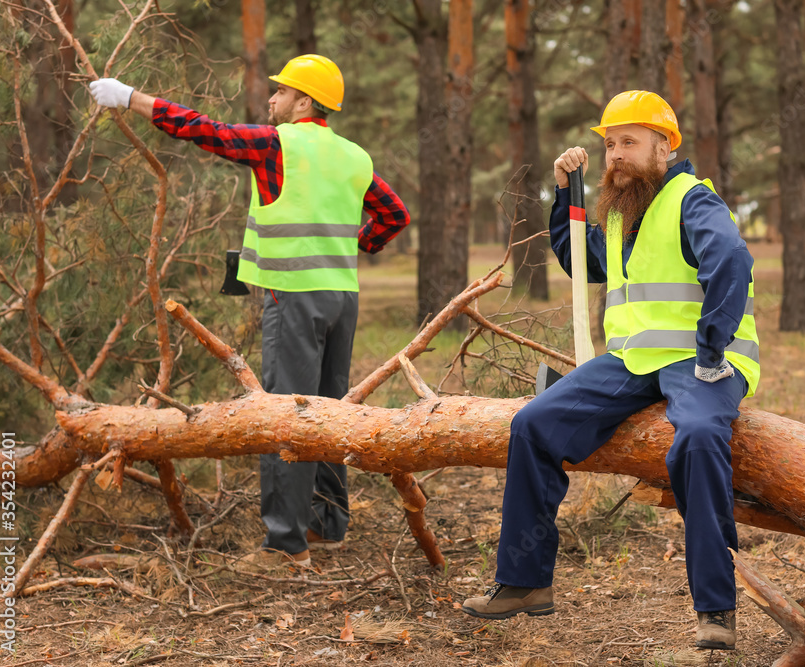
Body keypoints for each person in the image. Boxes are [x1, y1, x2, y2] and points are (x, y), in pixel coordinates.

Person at [461, 90, 759, 651]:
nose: (616, 155)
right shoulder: (623, 211)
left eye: (630, 143)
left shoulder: (691, 200)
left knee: (695, 438)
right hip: (631, 363)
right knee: (532, 425)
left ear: (663, 147)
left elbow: (733, 263)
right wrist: (562, 193)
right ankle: (524, 583)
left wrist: (713, 347)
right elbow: (581, 261)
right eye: (609, 145)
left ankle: (716, 609)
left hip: (703, 361)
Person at [89, 55, 411, 569]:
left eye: (281, 92)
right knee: (328, 413)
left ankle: (285, 548)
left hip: (292, 296)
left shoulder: (276, 143)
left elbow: (203, 130)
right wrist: (358, 243)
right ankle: (325, 525)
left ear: (304, 102)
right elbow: (395, 216)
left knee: (285, 417)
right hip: (342, 300)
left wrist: (131, 97)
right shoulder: (354, 156)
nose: (272, 99)